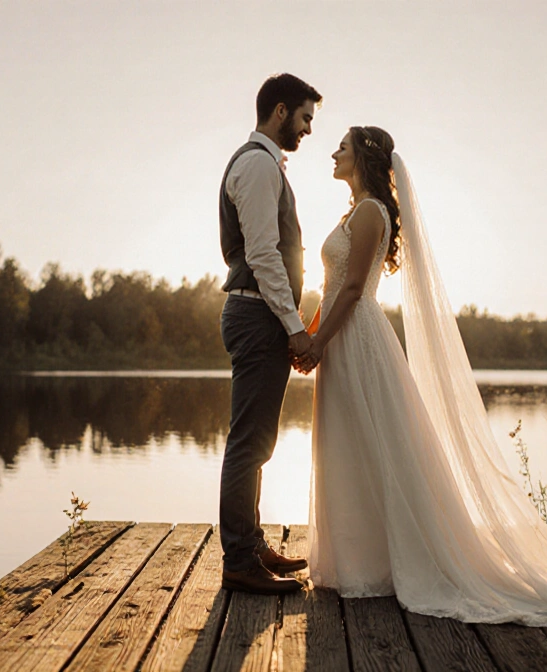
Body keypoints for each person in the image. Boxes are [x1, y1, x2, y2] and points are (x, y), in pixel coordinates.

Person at [302, 126, 547, 626]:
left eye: (341, 146)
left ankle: (382, 564)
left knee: (376, 443)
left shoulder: (371, 213)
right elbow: (329, 290)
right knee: (350, 442)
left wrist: (318, 342)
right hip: (339, 336)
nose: (333, 152)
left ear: (362, 157)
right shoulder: (354, 212)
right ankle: (360, 562)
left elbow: (350, 291)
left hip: (358, 338)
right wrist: (308, 335)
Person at [217, 74, 320, 595]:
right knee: (248, 441)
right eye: (304, 118)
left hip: (259, 314)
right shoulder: (257, 165)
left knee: (258, 439)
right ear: (279, 111)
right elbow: (262, 255)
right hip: (258, 314)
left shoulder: (263, 164)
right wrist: (296, 327)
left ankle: (250, 544)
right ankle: (239, 558)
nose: (307, 130)